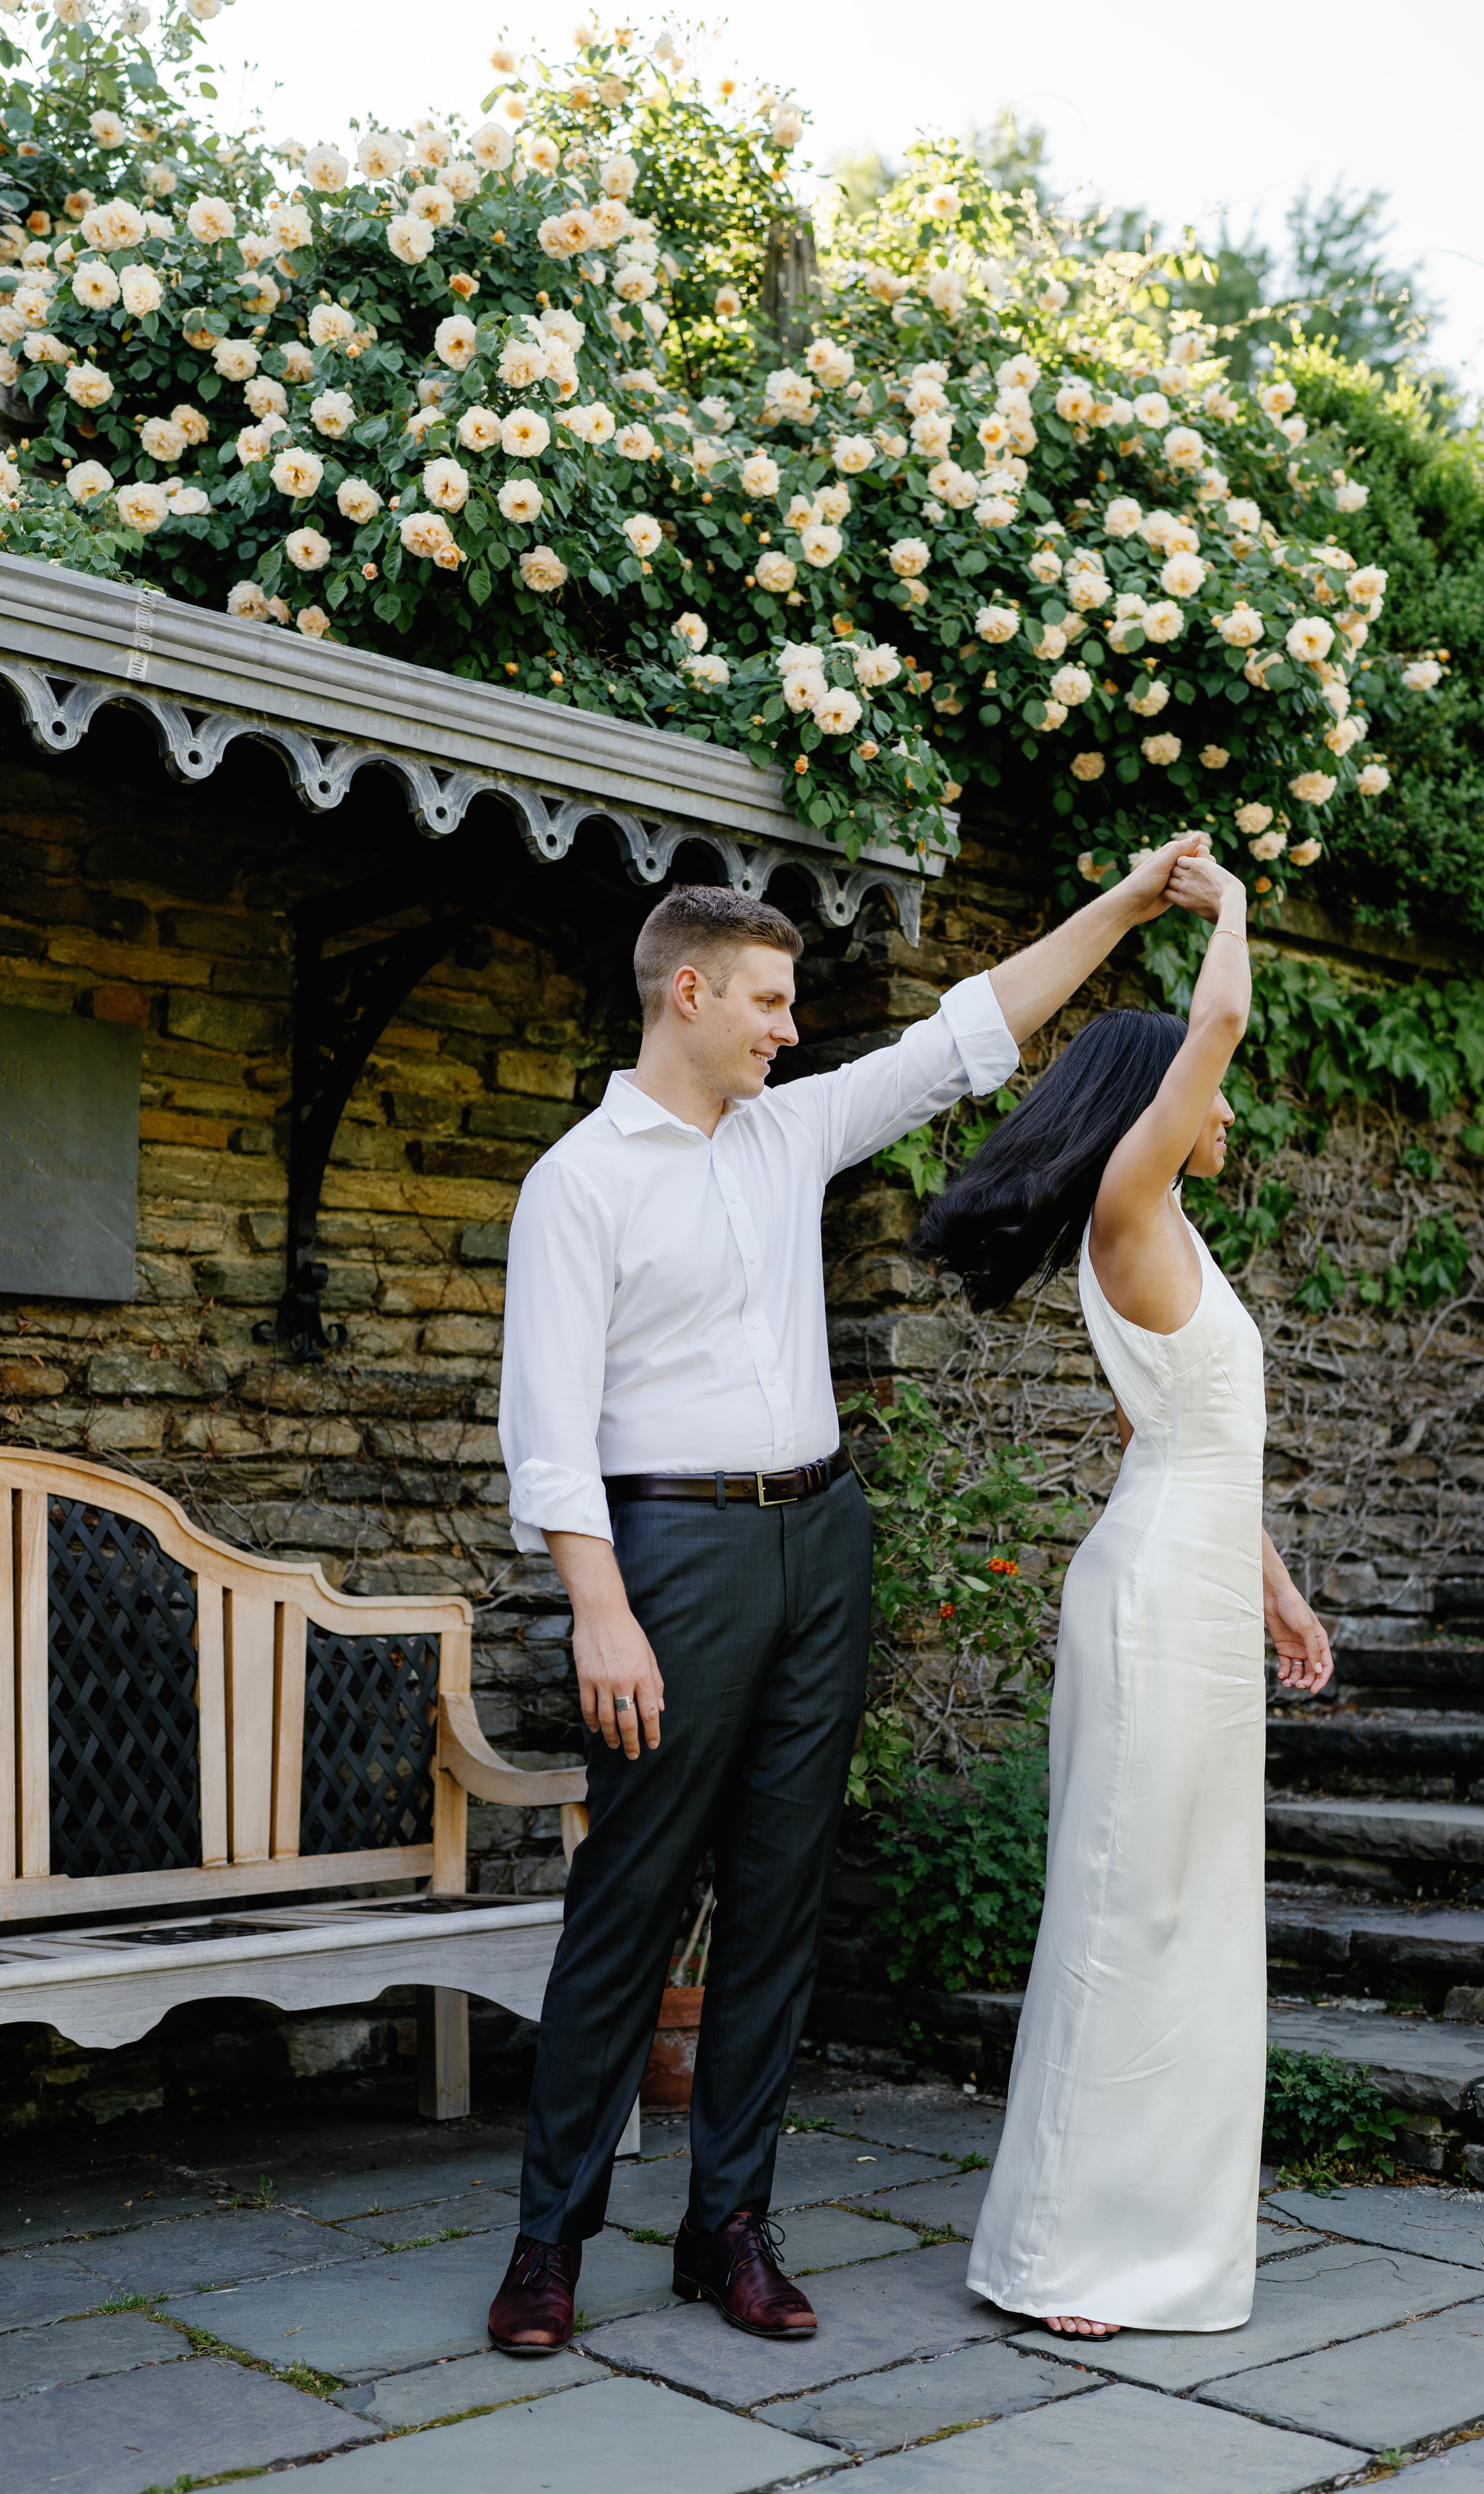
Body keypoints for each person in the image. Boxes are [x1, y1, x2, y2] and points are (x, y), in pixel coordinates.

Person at [487, 851, 1207, 2355]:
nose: (787, 1030)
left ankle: (728, 2229)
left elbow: (971, 1032)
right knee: (630, 1903)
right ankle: (549, 2241)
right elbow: (547, 1425)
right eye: (765, 1001)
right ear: (686, 993)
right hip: (670, 1555)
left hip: (825, 1539)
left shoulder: (788, 1134)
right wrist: (598, 1607)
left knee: (779, 1901)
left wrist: (1132, 906)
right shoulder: (579, 1183)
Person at [912, 838, 1333, 2342]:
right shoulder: (1130, 1210)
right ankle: (1070, 2253)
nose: (1226, 1105)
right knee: (1124, 1906)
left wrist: (1276, 1589)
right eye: (1204, 1092)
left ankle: (1152, 2234)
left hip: (1200, 1584)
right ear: (1155, 1103)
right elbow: (1209, 1031)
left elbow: (1194, 1440)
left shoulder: (1175, 1239)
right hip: (1155, 1605)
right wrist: (1227, 911)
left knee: (1188, 1913)